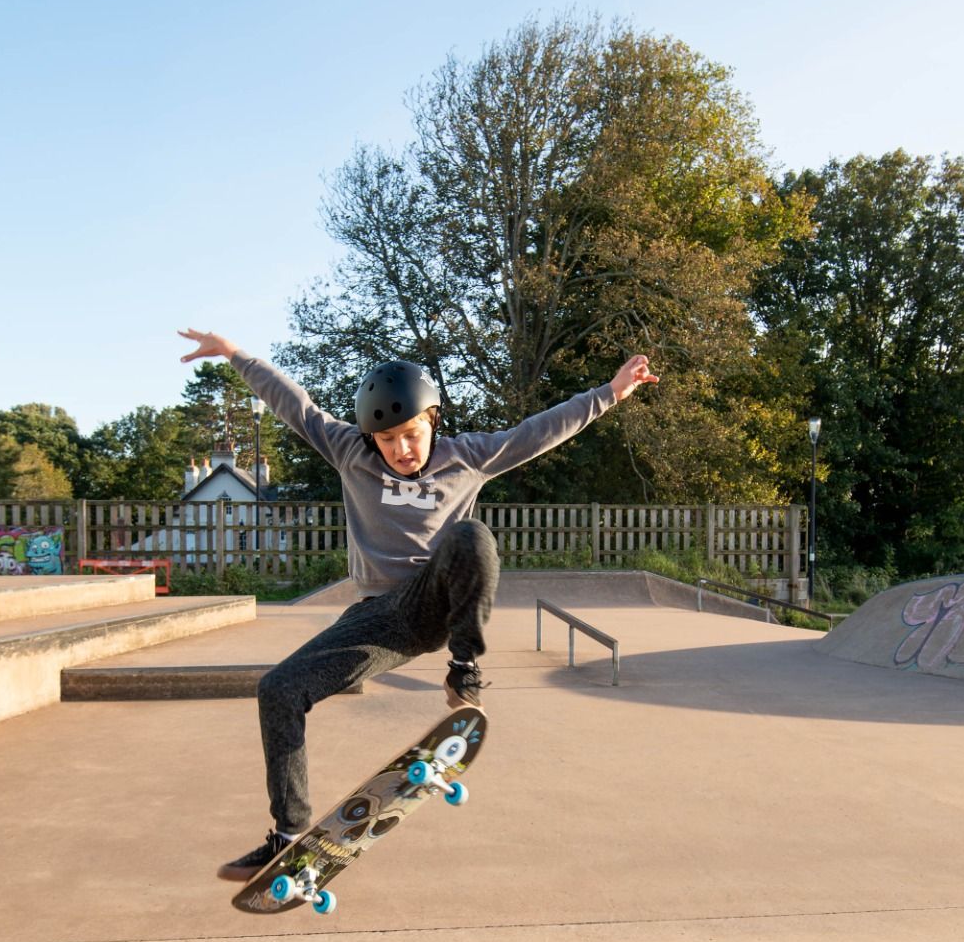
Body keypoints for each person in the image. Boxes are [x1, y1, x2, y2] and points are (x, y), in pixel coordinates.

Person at [176, 329, 658, 879]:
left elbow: (538, 431)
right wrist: (237, 355)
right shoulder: (346, 451)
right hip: (380, 619)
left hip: (439, 602)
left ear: (430, 421)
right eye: (386, 441)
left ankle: (464, 671)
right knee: (277, 690)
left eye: (410, 435)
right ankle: (289, 836)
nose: (401, 451)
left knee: (471, 537)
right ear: (370, 438)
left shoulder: (469, 456)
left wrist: (611, 392)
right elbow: (294, 405)